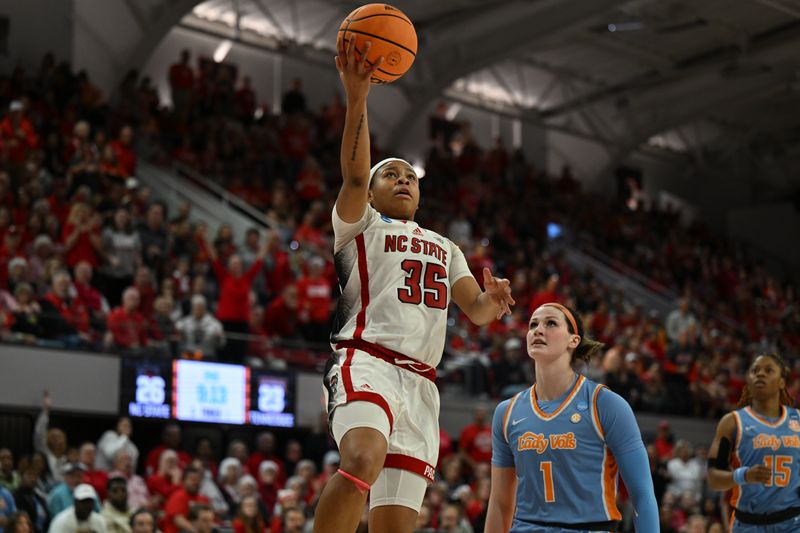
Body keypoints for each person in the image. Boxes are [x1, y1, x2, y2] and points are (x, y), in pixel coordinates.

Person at [313, 39, 515, 533]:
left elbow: (477, 312)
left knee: (395, 526)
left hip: (422, 384)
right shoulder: (361, 226)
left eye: (411, 177)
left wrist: (493, 303)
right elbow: (355, 175)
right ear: (376, 192)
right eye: (392, 175)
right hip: (366, 360)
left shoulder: (446, 247)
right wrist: (357, 97)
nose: (403, 180)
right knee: (361, 458)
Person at [486, 303, 658, 532]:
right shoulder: (506, 412)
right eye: (533, 324)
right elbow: (499, 504)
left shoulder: (605, 404)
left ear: (573, 340)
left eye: (550, 323)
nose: (538, 330)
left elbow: (643, 495)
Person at [707, 353, 800, 531]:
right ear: (748, 381)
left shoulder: (798, 420)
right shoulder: (732, 423)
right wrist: (744, 476)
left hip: (792, 523)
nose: (760, 374)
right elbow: (713, 478)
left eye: (768, 370)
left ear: (781, 382)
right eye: (754, 370)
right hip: (748, 524)